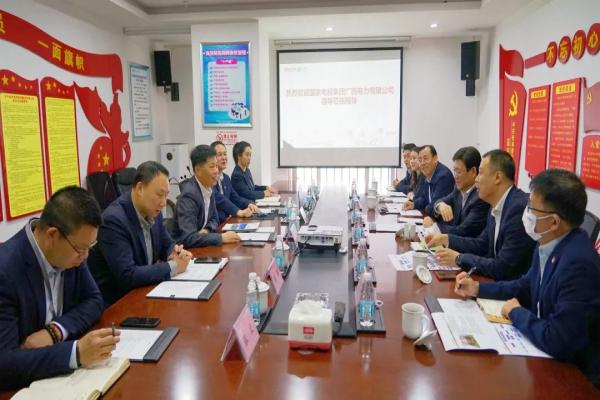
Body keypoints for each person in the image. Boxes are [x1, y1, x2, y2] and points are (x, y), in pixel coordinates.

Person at [455, 169, 600, 388]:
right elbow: (524, 285)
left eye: (531, 208)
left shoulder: (578, 264)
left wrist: (516, 312)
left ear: (553, 222)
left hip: (574, 377)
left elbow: (558, 340)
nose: (526, 213)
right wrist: (477, 288)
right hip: (544, 358)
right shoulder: (549, 243)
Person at [0, 186, 120, 388]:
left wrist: (55, 331)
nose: (85, 257)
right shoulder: (6, 271)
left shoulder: (72, 252)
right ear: (52, 235)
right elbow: (4, 363)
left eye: (89, 247)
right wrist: (76, 353)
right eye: (81, 249)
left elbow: (94, 300)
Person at [88, 161, 193, 306]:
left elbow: (166, 243)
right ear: (140, 188)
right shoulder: (114, 220)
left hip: (146, 292)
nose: (163, 203)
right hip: (119, 303)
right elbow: (127, 275)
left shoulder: (153, 211)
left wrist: (174, 253)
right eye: (160, 195)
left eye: (166, 195)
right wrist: (173, 266)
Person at [426, 149, 536, 280]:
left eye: (481, 173)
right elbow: (482, 244)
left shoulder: (517, 208)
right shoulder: (496, 203)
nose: (477, 179)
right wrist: (447, 239)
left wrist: (459, 258)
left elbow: (502, 267)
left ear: (497, 177)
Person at [173, 145, 240, 247]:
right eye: (212, 167)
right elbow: (188, 238)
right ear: (198, 170)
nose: (216, 171)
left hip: (201, 246)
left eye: (216, 166)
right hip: (184, 252)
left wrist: (207, 230)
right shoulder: (189, 196)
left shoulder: (208, 187)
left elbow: (214, 219)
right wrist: (221, 238)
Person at [423, 146, 489, 237]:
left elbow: (464, 231)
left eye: (459, 172)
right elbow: (440, 201)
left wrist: (435, 226)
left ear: (473, 172)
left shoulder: (481, 197)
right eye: (454, 171)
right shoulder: (458, 190)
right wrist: (440, 206)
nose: (455, 177)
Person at [210, 140, 260, 223]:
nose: (224, 158)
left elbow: (235, 198)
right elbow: (220, 199)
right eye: (219, 155)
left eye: (225, 154)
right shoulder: (209, 180)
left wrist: (248, 204)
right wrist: (238, 211)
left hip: (227, 222)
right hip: (216, 224)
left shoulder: (226, 178)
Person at [403, 145, 454, 215]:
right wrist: (414, 204)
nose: (422, 163)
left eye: (425, 158)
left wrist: (426, 207)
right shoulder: (428, 174)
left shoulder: (443, 176)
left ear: (435, 158)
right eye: (420, 160)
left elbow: (435, 205)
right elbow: (424, 199)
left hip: (441, 220)